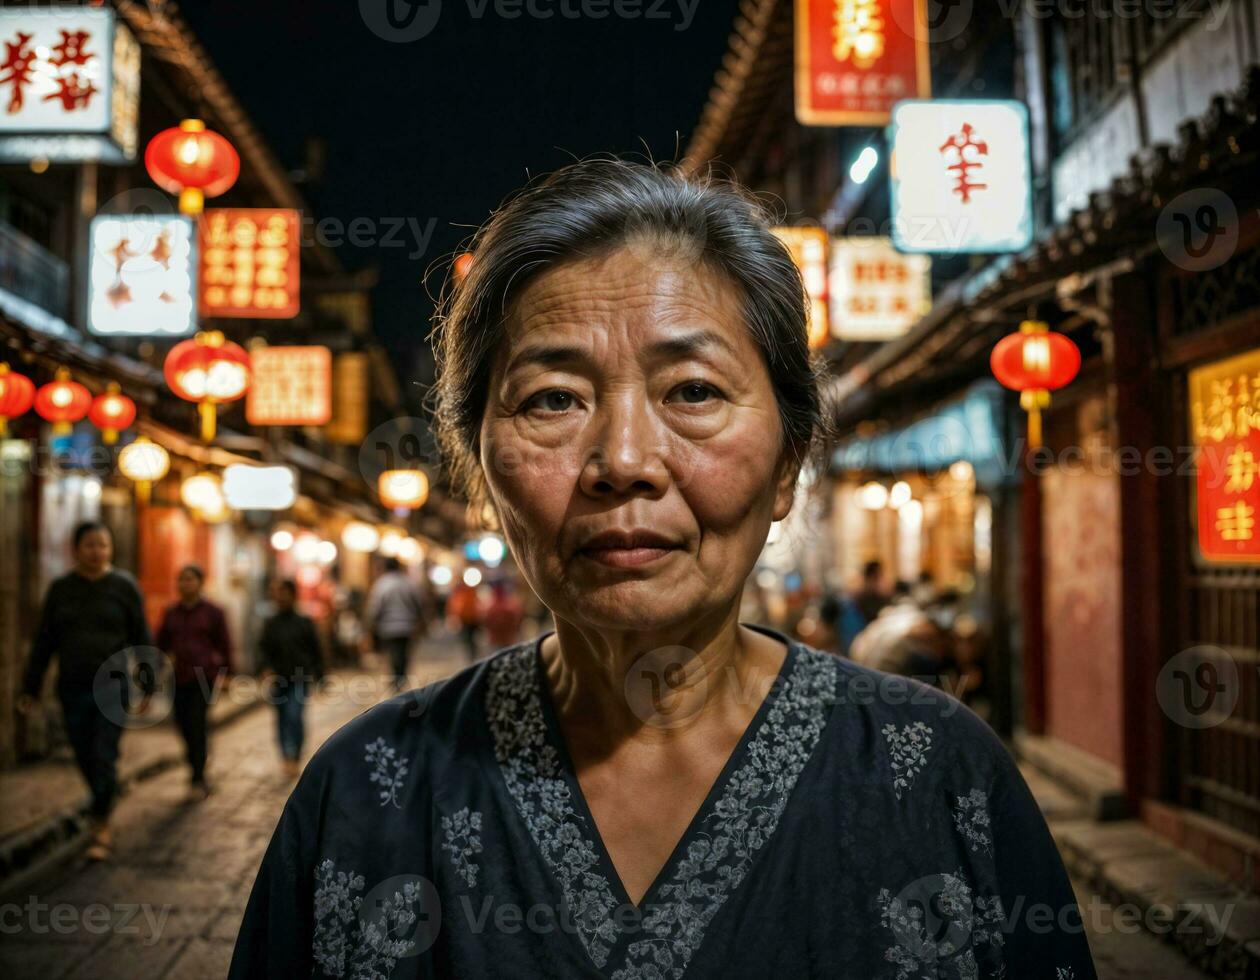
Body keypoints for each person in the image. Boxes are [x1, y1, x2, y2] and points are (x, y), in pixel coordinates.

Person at [231, 160, 1097, 978]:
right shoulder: (367, 796)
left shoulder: (941, 781)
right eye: (553, 400)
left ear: (789, 463)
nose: (624, 460)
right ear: (480, 469)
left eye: (693, 392)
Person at [18, 521, 158, 861]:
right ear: (76, 549)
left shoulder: (124, 587)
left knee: (103, 753)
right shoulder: (61, 589)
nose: (97, 551)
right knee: (83, 753)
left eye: (103, 545)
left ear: (110, 550)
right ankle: (101, 804)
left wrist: (148, 682)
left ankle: (101, 824)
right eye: (90, 545)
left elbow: (141, 636)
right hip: (73, 687)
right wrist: (30, 688)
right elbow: (44, 642)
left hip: (113, 688)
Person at [154, 564, 233, 801]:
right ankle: (196, 764)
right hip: (178, 677)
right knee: (182, 723)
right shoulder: (171, 612)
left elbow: (225, 644)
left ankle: (197, 778)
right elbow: (160, 644)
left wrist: (228, 674)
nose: (185, 584)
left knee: (197, 723)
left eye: (190, 580)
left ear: (200, 583)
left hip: (204, 678)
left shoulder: (213, 612)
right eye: (182, 580)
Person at [257, 578, 324, 778]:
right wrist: (265, 668)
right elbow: (263, 649)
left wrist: (320, 674)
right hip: (278, 680)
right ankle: (286, 756)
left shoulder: (304, 622)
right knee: (281, 719)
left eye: (283, 592)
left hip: (299, 678)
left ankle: (294, 755)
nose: (280, 597)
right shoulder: (270, 624)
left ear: (292, 595)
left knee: (295, 716)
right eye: (276, 593)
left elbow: (316, 650)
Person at [365, 557, 427, 689]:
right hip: (407, 624)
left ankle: (396, 677)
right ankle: (401, 676)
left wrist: (371, 622)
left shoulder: (382, 584)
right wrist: (420, 620)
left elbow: (375, 606)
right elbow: (418, 603)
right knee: (404, 651)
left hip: (388, 625)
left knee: (393, 651)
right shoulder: (408, 583)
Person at [445, 576, 482, 663]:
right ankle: (471, 655)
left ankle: (472, 655)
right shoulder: (466, 593)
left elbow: (456, 607)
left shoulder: (467, 593)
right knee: (469, 639)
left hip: (470, 620)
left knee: (469, 639)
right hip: (468, 620)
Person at [483, 577, 524, 649]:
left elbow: (486, 620)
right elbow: (517, 618)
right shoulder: (511, 603)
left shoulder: (490, 605)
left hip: (496, 638)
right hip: (508, 638)